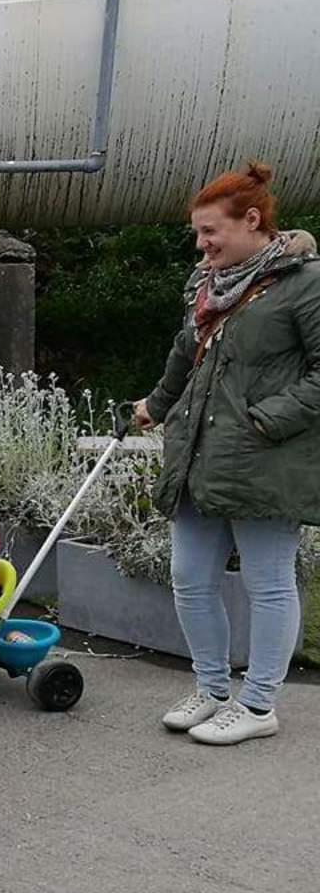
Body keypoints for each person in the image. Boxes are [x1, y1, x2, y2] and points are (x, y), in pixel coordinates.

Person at [133, 161, 320, 747]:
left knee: (267, 582)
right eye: (198, 232)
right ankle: (212, 690)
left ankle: (259, 704)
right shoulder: (206, 282)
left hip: (265, 456)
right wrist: (154, 408)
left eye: (210, 231)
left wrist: (267, 421)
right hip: (200, 451)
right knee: (190, 578)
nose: (201, 243)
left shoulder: (304, 282)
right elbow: (184, 355)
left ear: (253, 221)